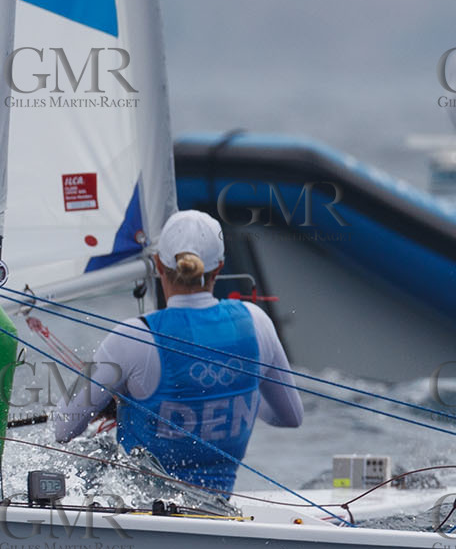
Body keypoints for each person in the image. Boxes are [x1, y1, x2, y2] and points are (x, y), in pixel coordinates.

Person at [50, 209, 302, 494]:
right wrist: (231, 400)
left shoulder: (132, 337)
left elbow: (63, 428)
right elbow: (291, 416)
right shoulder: (256, 322)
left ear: (158, 263)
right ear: (219, 267)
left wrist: (112, 399)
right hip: (218, 508)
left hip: (142, 511)